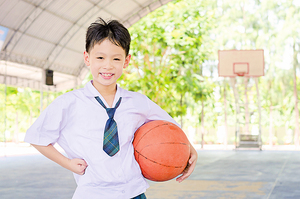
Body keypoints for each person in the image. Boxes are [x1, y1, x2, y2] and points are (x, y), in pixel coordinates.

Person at [24, 17, 198, 199]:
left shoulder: (137, 102)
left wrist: (190, 149)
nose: (108, 65)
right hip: (92, 192)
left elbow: (171, 128)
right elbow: (37, 137)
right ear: (87, 58)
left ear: (126, 60)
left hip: (133, 192)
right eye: (100, 57)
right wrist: (68, 163)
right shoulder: (69, 103)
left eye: (116, 58)